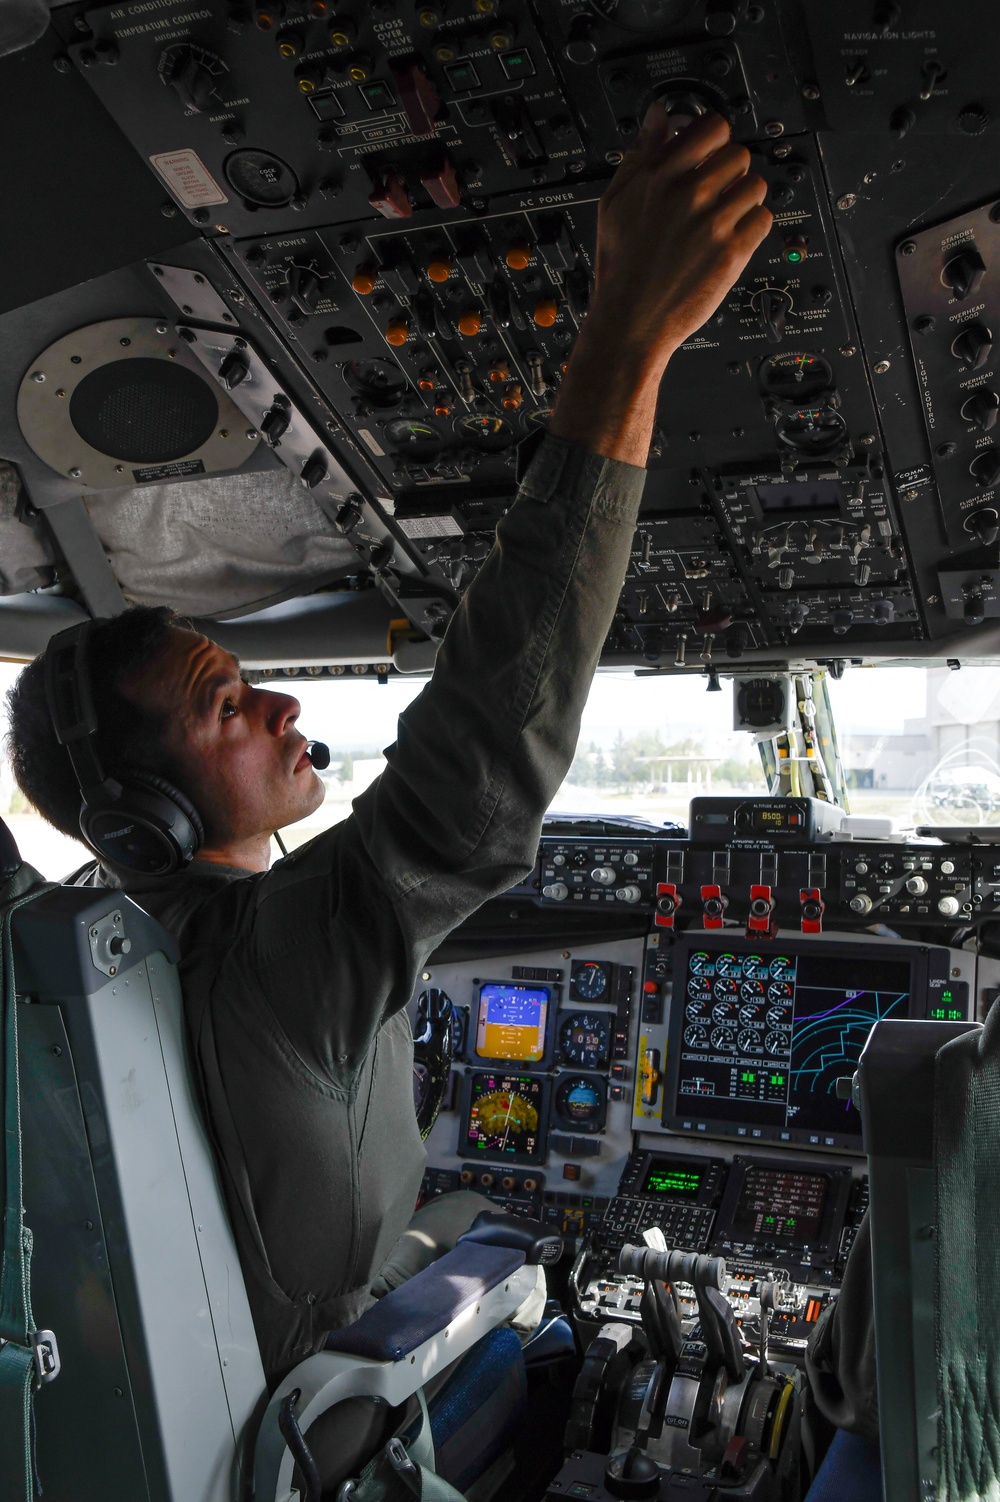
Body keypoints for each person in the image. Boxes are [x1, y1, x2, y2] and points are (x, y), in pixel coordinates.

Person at [5, 104, 771, 1390]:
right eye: (227, 705)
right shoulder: (264, 960)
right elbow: (476, 764)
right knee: (533, 1281)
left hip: (214, 1382)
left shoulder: (61, 958)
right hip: (321, 1420)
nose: (283, 711)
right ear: (149, 815)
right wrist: (626, 342)